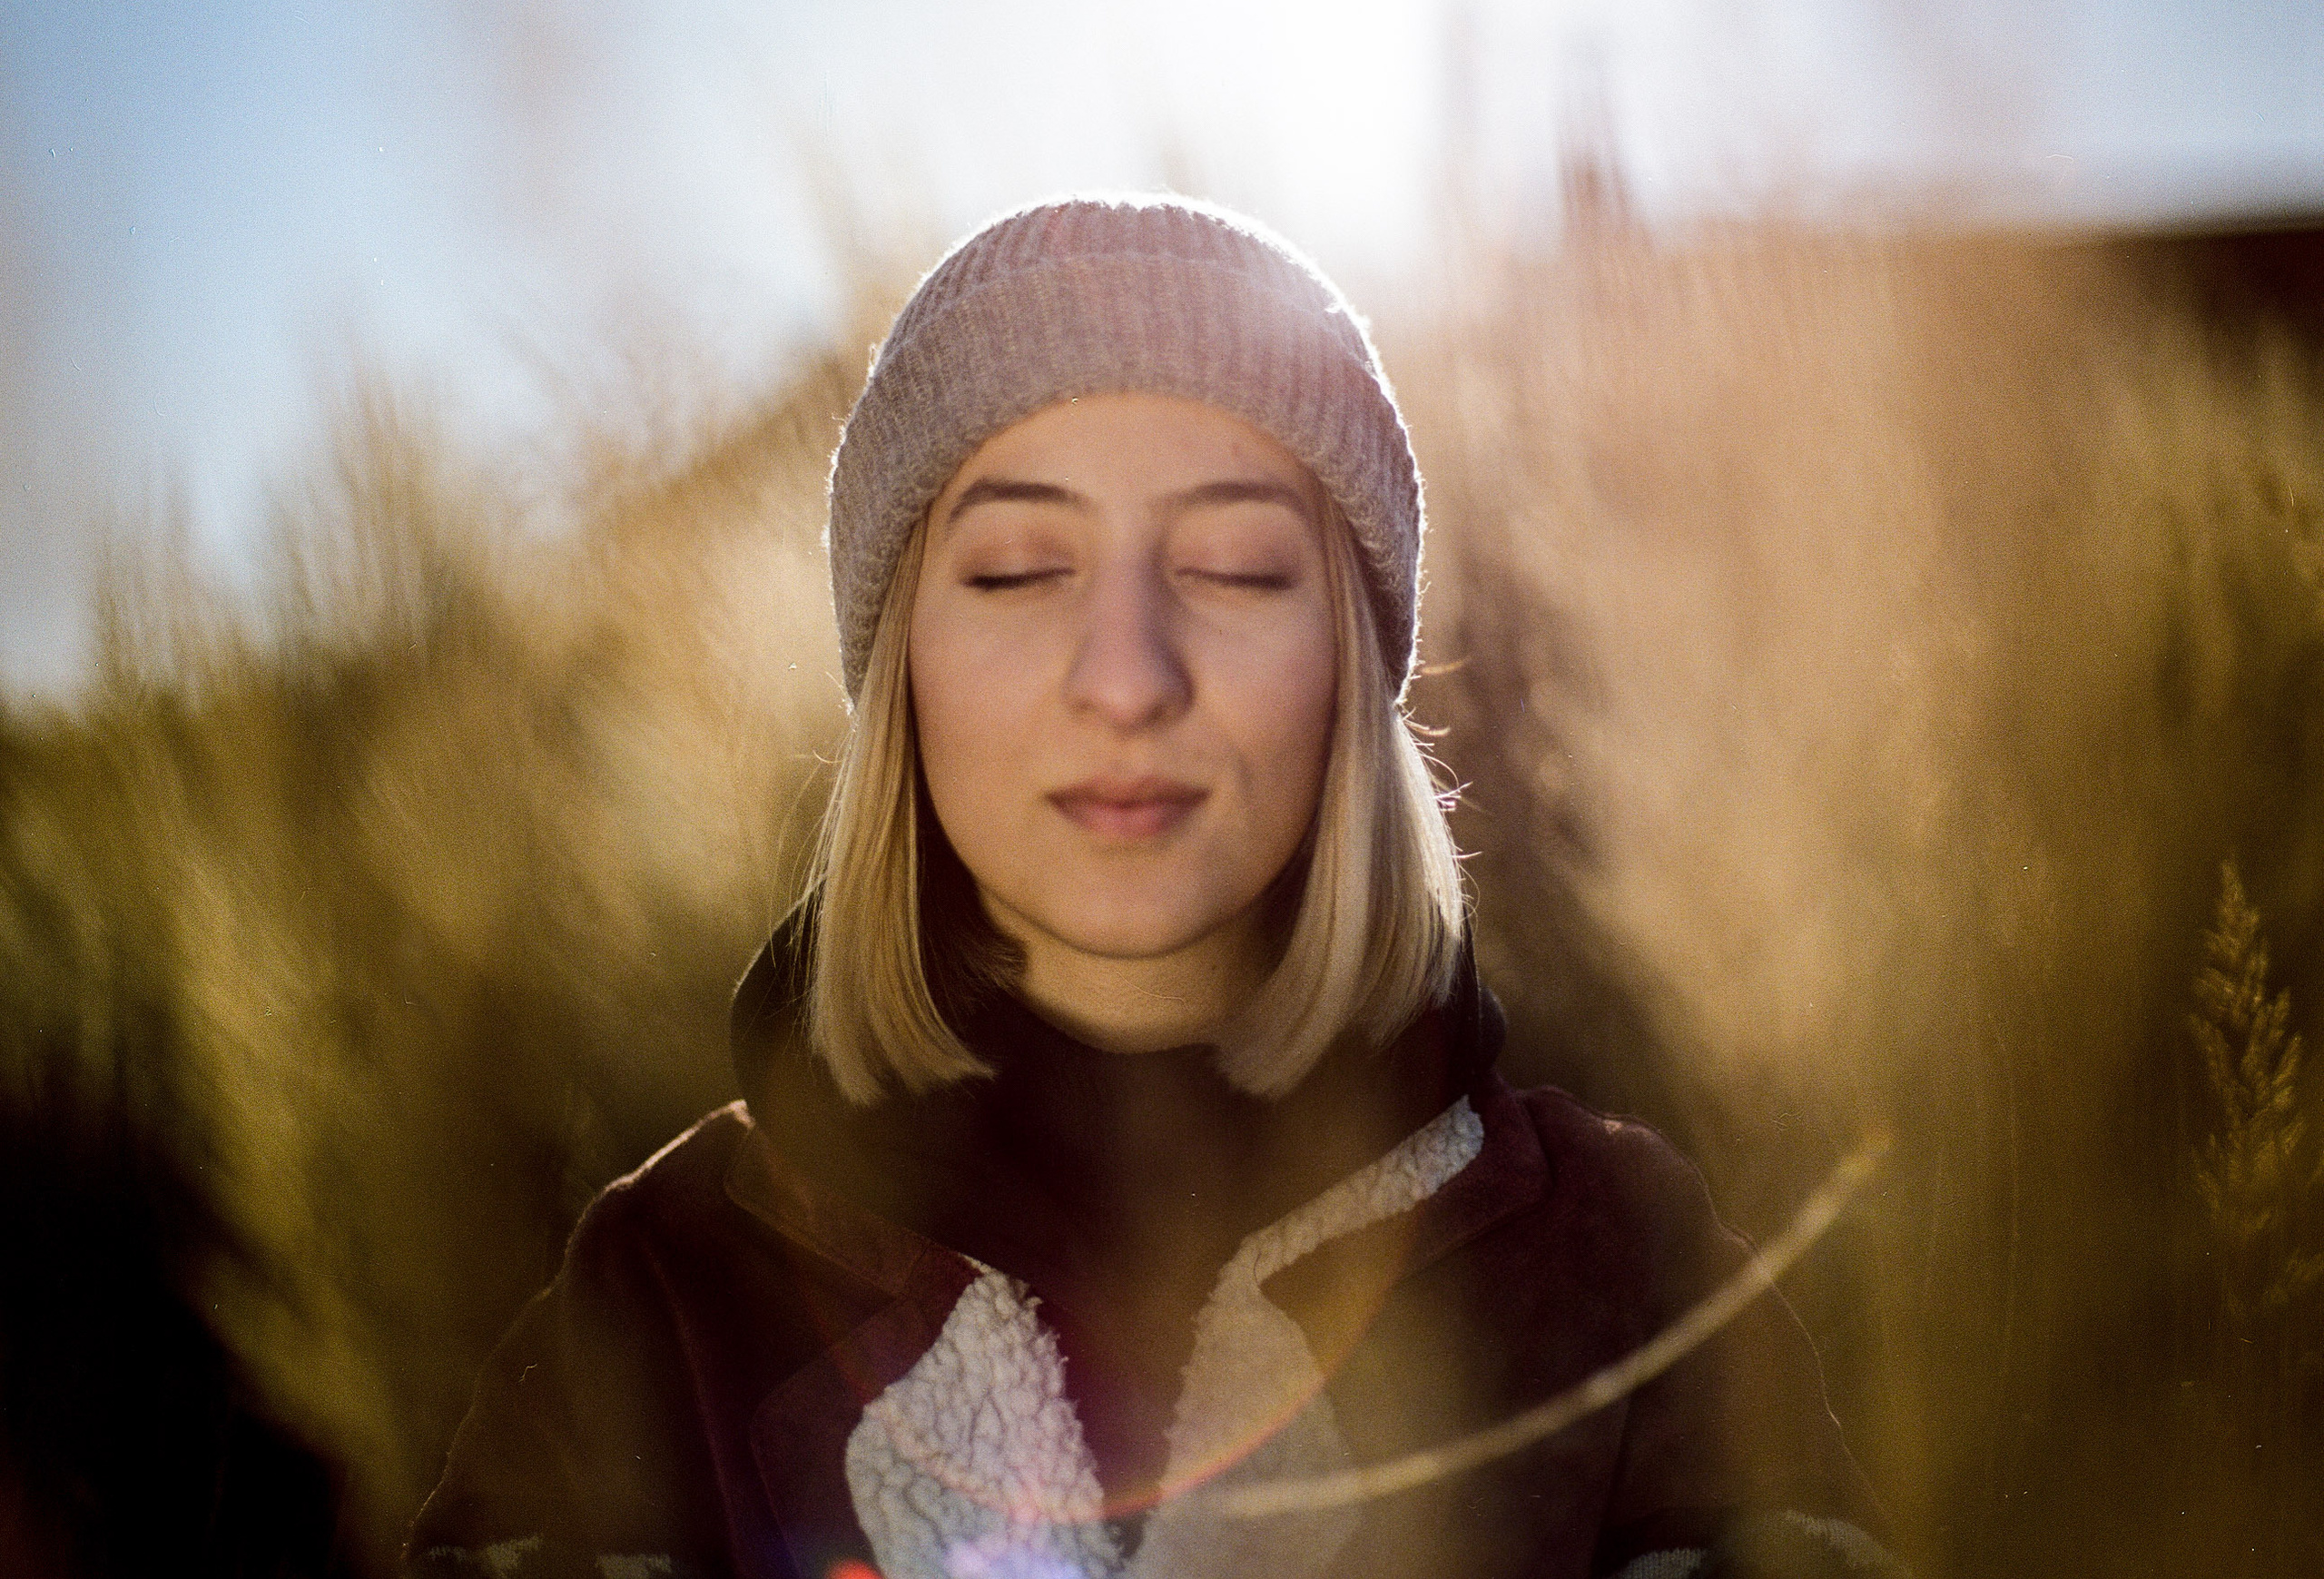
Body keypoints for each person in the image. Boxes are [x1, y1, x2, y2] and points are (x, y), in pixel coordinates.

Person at [407, 195, 1897, 1579]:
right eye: (1014, 570)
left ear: (1355, 667)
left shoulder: (1622, 1258)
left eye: (1240, 566)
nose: (1126, 677)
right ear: (901, 668)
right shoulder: (664, 1290)